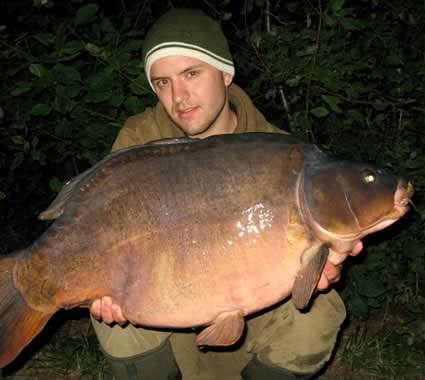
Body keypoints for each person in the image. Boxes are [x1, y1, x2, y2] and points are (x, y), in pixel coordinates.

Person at [89, 8, 362, 380]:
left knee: (320, 309)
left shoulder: (280, 154)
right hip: (167, 317)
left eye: (191, 74)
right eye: (162, 82)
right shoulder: (139, 143)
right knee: (108, 313)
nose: (179, 96)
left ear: (226, 73)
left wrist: (325, 257)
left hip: (255, 320)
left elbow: (312, 249)